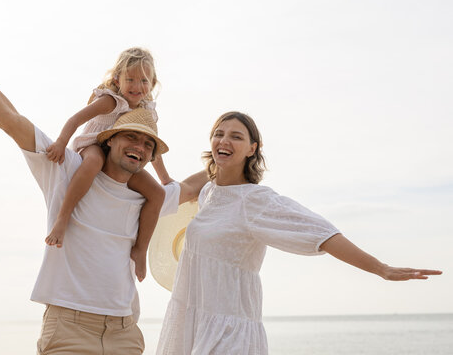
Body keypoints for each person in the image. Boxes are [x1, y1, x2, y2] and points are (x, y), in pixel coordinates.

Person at [0, 9, 206, 354]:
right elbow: (9, 119)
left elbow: (191, 188)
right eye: (131, 136)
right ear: (110, 137)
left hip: (125, 331)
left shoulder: (146, 196)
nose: (140, 147)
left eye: (148, 143)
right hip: (69, 329)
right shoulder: (66, 169)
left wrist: (244, 152)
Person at [155, 111, 442, 355]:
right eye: (219, 133)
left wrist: (381, 269)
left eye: (236, 136)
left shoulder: (255, 200)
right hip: (191, 322)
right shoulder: (207, 190)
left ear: (252, 148)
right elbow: (163, 194)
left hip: (229, 333)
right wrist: (146, 142)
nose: (224, 140)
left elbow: (321, 233)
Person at [44, 46, 168, 282]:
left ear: (152, 84)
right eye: (129, 79)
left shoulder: (146, 112)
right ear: (116, 79)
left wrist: (165, 178)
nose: (136, 86)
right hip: (93, 144)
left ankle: (141, 249)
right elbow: (76, 119)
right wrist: (61, 142)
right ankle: (62, 219)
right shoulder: (111, 102)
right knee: (93, 162)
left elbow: (153, 148)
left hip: (121, 155)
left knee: (158, 194)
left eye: (143, 80)